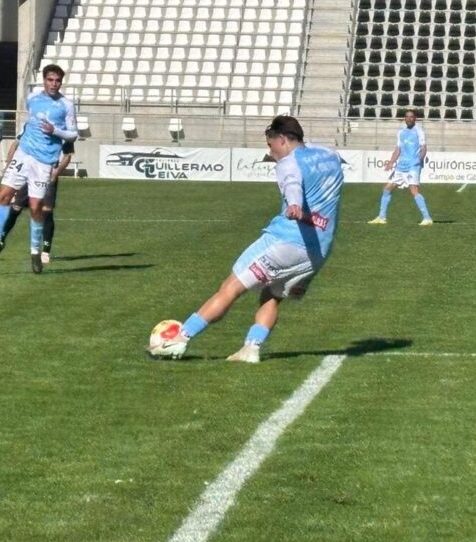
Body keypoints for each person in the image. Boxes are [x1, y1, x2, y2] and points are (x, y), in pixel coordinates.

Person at [148, 116, 345, 363]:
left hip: (285, 241)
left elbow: (292, 182)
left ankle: (180, 338)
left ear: (282, 140)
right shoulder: (329, 154)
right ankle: (251, 348)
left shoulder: (287, 163)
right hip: (318, 250)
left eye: (271, 145)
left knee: (230, 288)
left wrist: (294, 203)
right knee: (271, 296)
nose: (270, 151)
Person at [0, 64, 77, 274]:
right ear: (44, 80)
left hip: (43, 161)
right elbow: (29, 124)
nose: (54, 84)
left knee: (36, 206)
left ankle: (35, 252)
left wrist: (55, 130)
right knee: (4, 195)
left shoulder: (66, 105)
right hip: (24, 154)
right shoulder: (32, 99)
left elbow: (73, 135)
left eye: (57, 80)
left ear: (61, 82)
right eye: (50, 80)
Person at [0, 138, 75, 264]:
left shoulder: (64, 132)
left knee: (46, 211)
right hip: (28, 173)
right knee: (15, 208)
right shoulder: (33, 127)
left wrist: (55, 173)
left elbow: (67, 156)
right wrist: (9, 167)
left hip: (46, 175)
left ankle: (45, 252)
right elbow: (15, 144)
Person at [367, 109, 433, 226]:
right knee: (387, 188)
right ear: (404, 118)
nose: (409, 119)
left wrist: (419, 160)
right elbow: (398, 149)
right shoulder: (401, 132)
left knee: (414, 190)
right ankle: (382, 217)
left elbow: (424, 148)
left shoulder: (419, 131)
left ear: (415, 118)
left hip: (412, 166)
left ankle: (427, 218)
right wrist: (391, 162)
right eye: (407, 117)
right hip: (401, 166)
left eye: (411, 117)